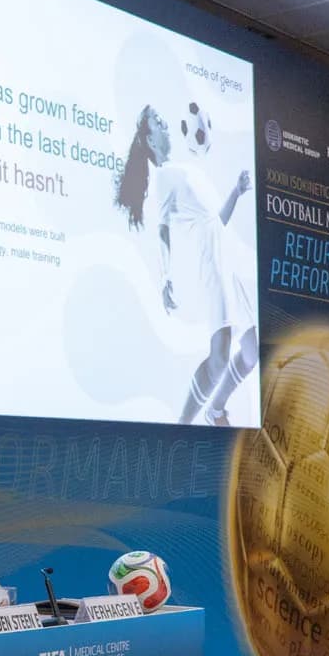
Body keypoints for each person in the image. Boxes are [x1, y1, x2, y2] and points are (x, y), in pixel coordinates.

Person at [116, 100, 258, 424]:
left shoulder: (187, 170)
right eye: (158, 122)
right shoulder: (164, 177)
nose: (165, 123)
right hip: (213, 264)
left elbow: (215, 221)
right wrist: (165, 277)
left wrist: (236, 192)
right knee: (220, 356)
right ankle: (183, 426)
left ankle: (215, 409)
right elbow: (162, 228)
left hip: (229, 258)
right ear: (150, 140)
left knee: (251, 352)